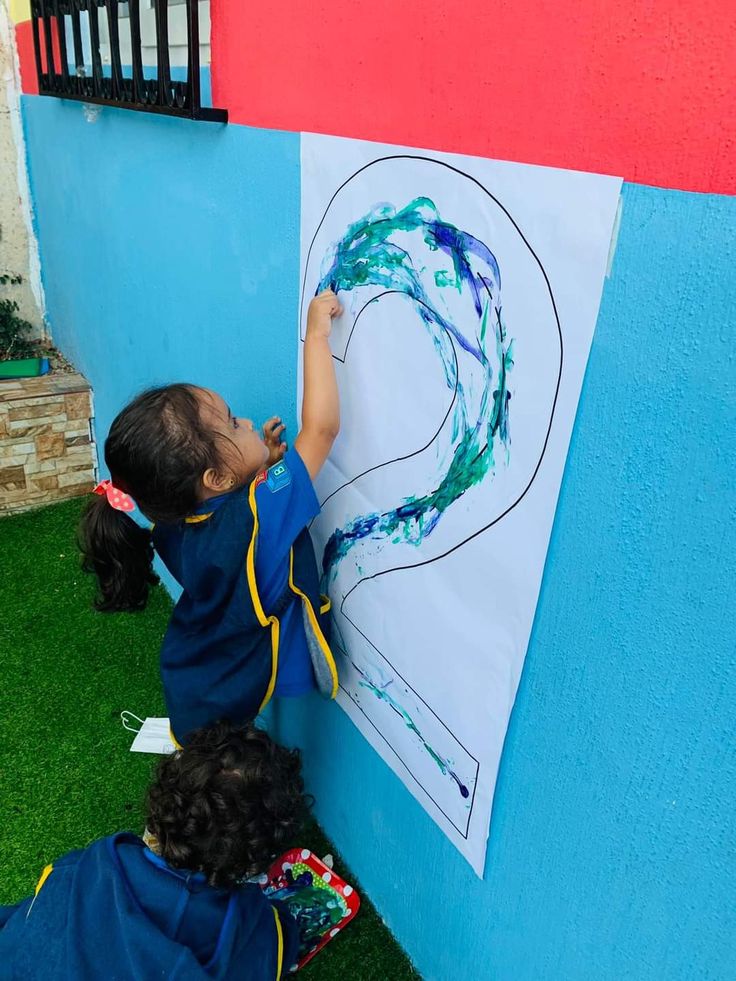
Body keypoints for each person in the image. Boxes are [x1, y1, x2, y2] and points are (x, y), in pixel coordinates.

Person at [79, 291, 342, 744]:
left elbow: (233, 519)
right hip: (233, 689)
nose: (244, 422)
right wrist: (317, 333)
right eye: (233, 422)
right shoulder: (261, 511)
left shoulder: (170, 522)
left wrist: (262, 469)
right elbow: (321, 430)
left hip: (198, 671)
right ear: (217, 478)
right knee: (223, 773)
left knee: (206, 757)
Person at [0, 721, 306, 979]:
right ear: (252, 861)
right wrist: (279, 923)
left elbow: (26, 920)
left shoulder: (79, 867)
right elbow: (275, 950)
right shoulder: (237, 930)